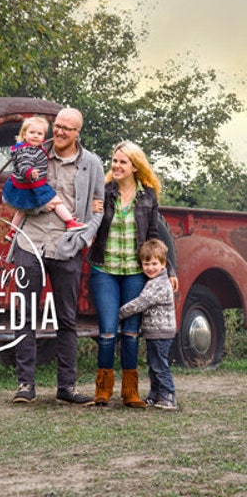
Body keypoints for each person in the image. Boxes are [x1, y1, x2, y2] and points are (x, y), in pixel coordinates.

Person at [10, 107, 104, 405]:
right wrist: (40, 207)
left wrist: (84, 237)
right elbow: (16, 194)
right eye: (58, 126)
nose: (60, 132)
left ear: (78, 133)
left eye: (68, 128)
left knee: (67, 318)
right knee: (25, 316)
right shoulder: (33, 153)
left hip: (67, 247)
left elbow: (98, 207)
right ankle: (26, 385)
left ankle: (67, 388)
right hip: (31, 242)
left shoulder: (92, 164)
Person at [86, 140, 178, 408]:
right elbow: (89, 224)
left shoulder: (148, 195)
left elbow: (153, 237)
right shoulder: (102, 192)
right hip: (104, 270)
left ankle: (130, 392)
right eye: (114, 161)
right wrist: (91, 211)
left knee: (130, 332)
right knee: (106, 333)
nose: (116, 166)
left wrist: (168, 268)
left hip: (136, 273)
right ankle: (102, 390)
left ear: (135, 166)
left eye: (122, 162)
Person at [3, 116, 87, 243]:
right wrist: (30, 173)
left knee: (21, 211)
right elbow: (23, 165)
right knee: (56, 200)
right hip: (31, 185)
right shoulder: (26, 150)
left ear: (43, 137)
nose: (35, 136)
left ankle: (12, 231)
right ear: (24, 134)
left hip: (24, 186)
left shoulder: (33, 148)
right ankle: (70, 222)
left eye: (39, 133)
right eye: (32, 132)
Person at [119, 239, 177, 410]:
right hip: (154, 332)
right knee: (154, 366)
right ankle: (155, 395)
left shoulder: (159, 284)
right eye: (146, 264)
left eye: (154, 264)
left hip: (161, 332)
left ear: (163, 264)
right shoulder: (152, 281)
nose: (150, 268)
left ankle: (168, 395)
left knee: (160, 366)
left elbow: (141, 303)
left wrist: (120, 313)